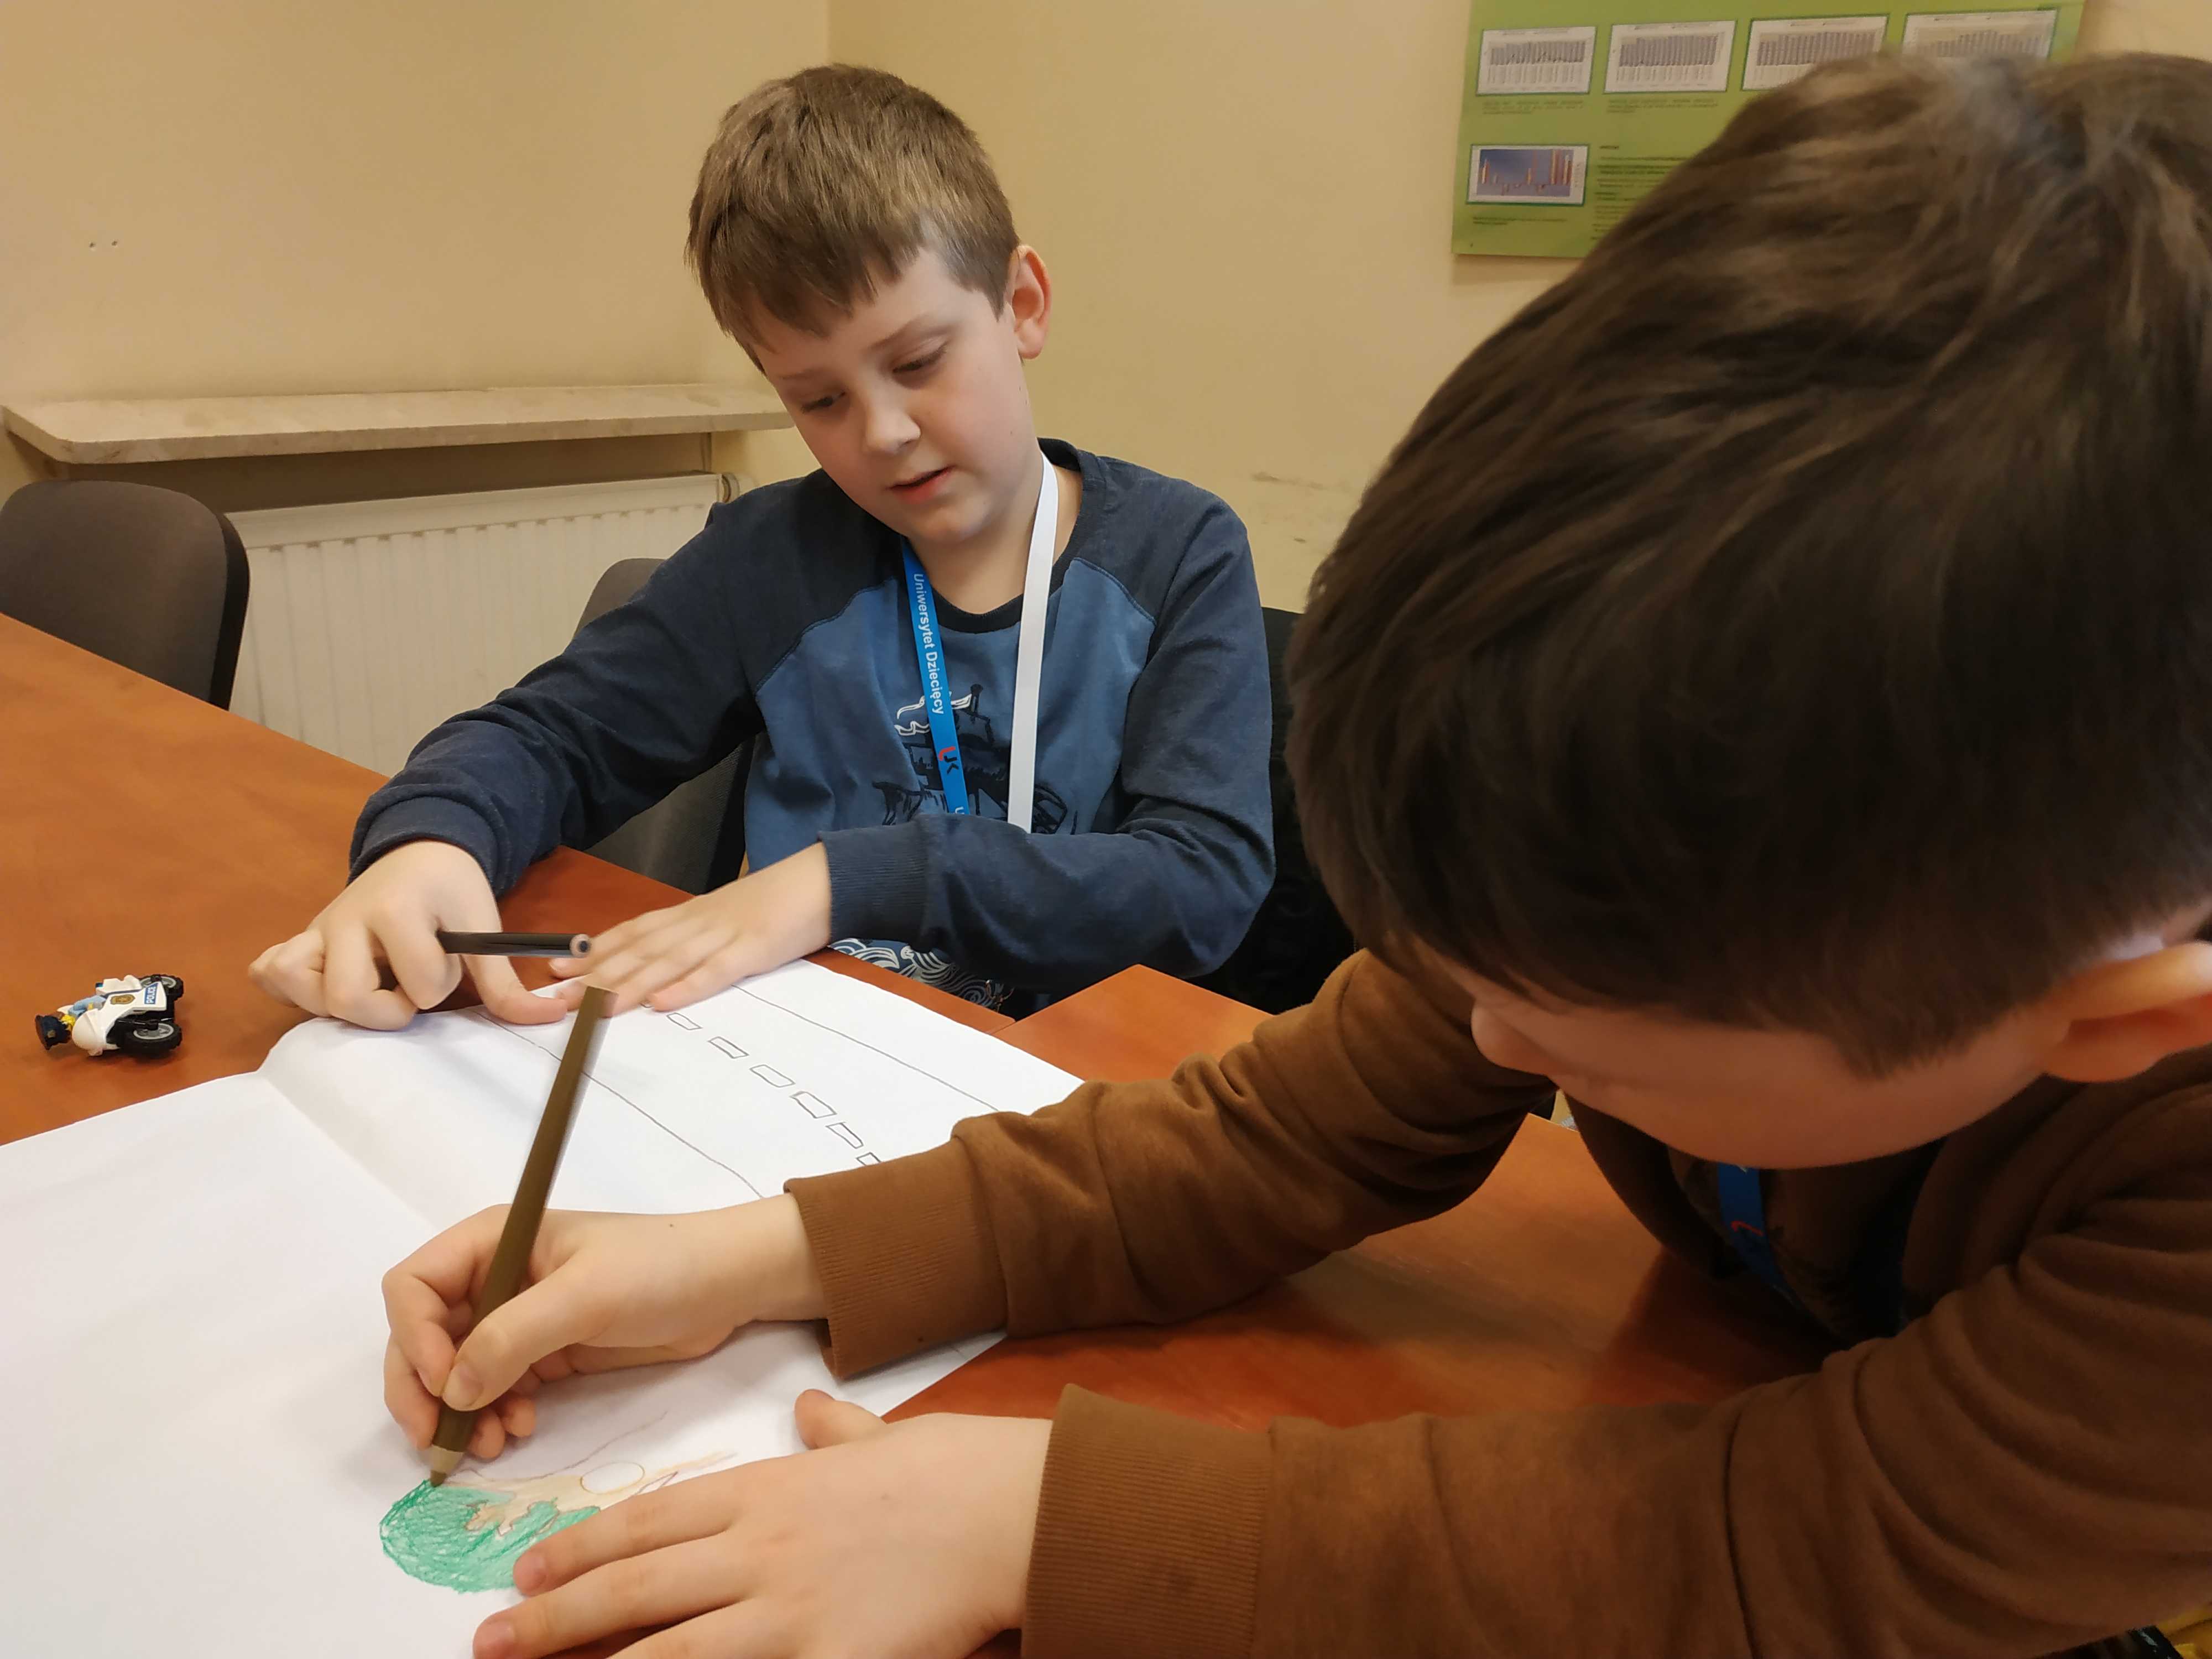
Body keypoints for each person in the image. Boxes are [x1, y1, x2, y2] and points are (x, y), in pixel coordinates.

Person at [379, 51, 2212, 1659]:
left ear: (2116, 1014)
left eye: (1580, 1035)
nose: (1486, 1044)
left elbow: (1772, 1555)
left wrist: (1039, 1527)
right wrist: (740, 1260)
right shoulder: (1647, 914)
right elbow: (1266, 1137)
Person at [251, 65, 1272, 1026]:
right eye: (819, 401)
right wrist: (431, 839)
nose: (883, 433)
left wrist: (848, 879)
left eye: (919, 361)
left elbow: (1204, 883)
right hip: (800, 1056)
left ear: (1023, 306)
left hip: (1070, 1087)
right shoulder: (768, 559)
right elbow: (549, 737)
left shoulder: (1180, 552)